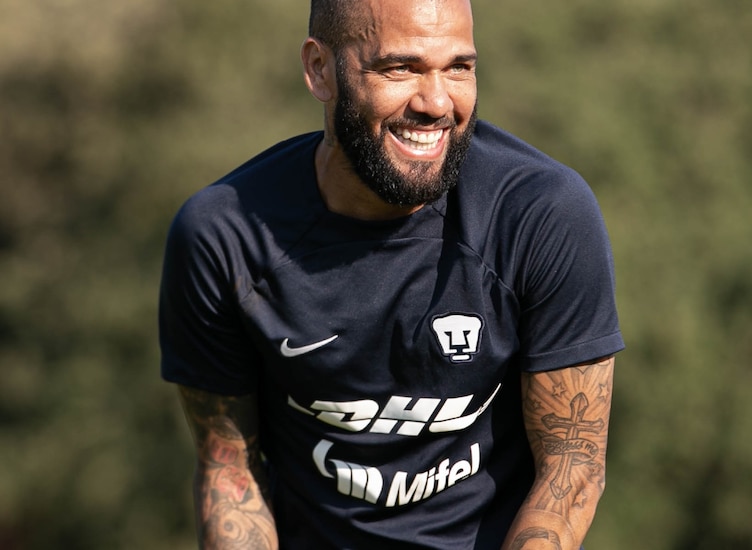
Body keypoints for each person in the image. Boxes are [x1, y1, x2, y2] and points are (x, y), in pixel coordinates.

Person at [158, 0, 623, 548]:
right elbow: (231, 472)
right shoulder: (223, 236)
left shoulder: (541, 213)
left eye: (459, 67)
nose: (436, 102)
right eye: (399, 68)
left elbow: (572, 465)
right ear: (320, 70)